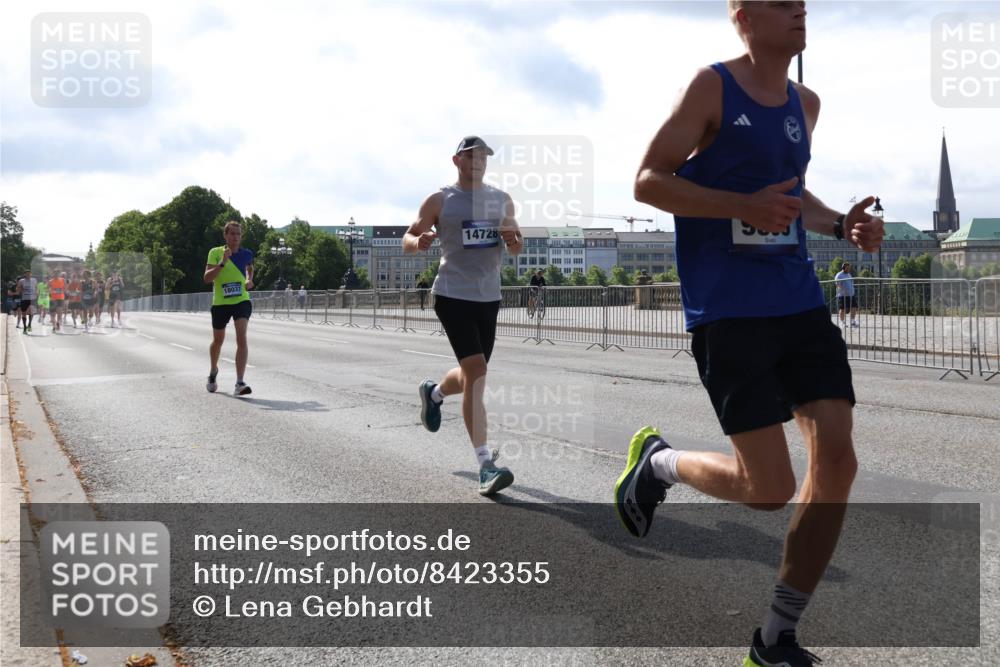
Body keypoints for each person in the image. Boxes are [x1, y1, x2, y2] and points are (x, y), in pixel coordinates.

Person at [617, 3, 885, 665]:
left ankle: (774, 636)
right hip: (729, 311)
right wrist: (740, 205)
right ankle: (656, 463)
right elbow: (648, 180)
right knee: (767, 488)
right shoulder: (712, 86)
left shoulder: (806, 102)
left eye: (803, 2)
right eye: (781, 1)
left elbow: (793, 196)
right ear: (742, 15)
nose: (799, 10)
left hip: (797, 304)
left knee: (839, 462)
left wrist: (837, 225)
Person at [405, 135, 523, 496]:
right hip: (452, 294)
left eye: (484, 157)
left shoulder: (501, 199)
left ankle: (436, 393)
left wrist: (514, 240)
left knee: (473, 372)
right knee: (477, 372)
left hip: (488, 297)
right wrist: (419, 241)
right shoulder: (441, 200)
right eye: (472, 156)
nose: (479, 162)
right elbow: (409, 236)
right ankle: (485, 464)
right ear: (457, 160)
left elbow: (517, 246)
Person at [204, 220, 255, 396]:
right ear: (225, 235)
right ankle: (213, 372)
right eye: (232, 233)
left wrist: (249, 279)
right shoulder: (215, 252)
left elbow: (249, 268)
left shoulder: (247, 253)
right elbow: (207, 278)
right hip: (220, 303)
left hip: (241, 300)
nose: (235, 237)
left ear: (241, 236)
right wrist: (223, 262)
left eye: (238, 234)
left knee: (242, 337)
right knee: (218, 341)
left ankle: (239, 382)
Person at [834, 262, 858, 328]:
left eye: (849, 268)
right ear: (843, 268)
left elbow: (851, 283)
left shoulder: (849, 274)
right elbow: (837, 284)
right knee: (843, 309)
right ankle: (842, 322)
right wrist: (842, 290)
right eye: (847, 268)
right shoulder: (839, 275)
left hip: (851, 294)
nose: (849, 269)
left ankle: (852, 321)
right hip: (842, 295)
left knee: (854, 307)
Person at [15, 269, 38, 333]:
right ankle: (25, 327)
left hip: (32, 299)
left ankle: (29, 324)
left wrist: (36, 293)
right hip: (24, 298)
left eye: (29, 273)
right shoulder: (21, 281)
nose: (28, 274)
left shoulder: (34, 280)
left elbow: (36, 288)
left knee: (31, 312)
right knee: (24, 313)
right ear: (24, 274)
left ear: (31, 274)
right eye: (26, 273)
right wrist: (21, 289)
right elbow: (17, 289)